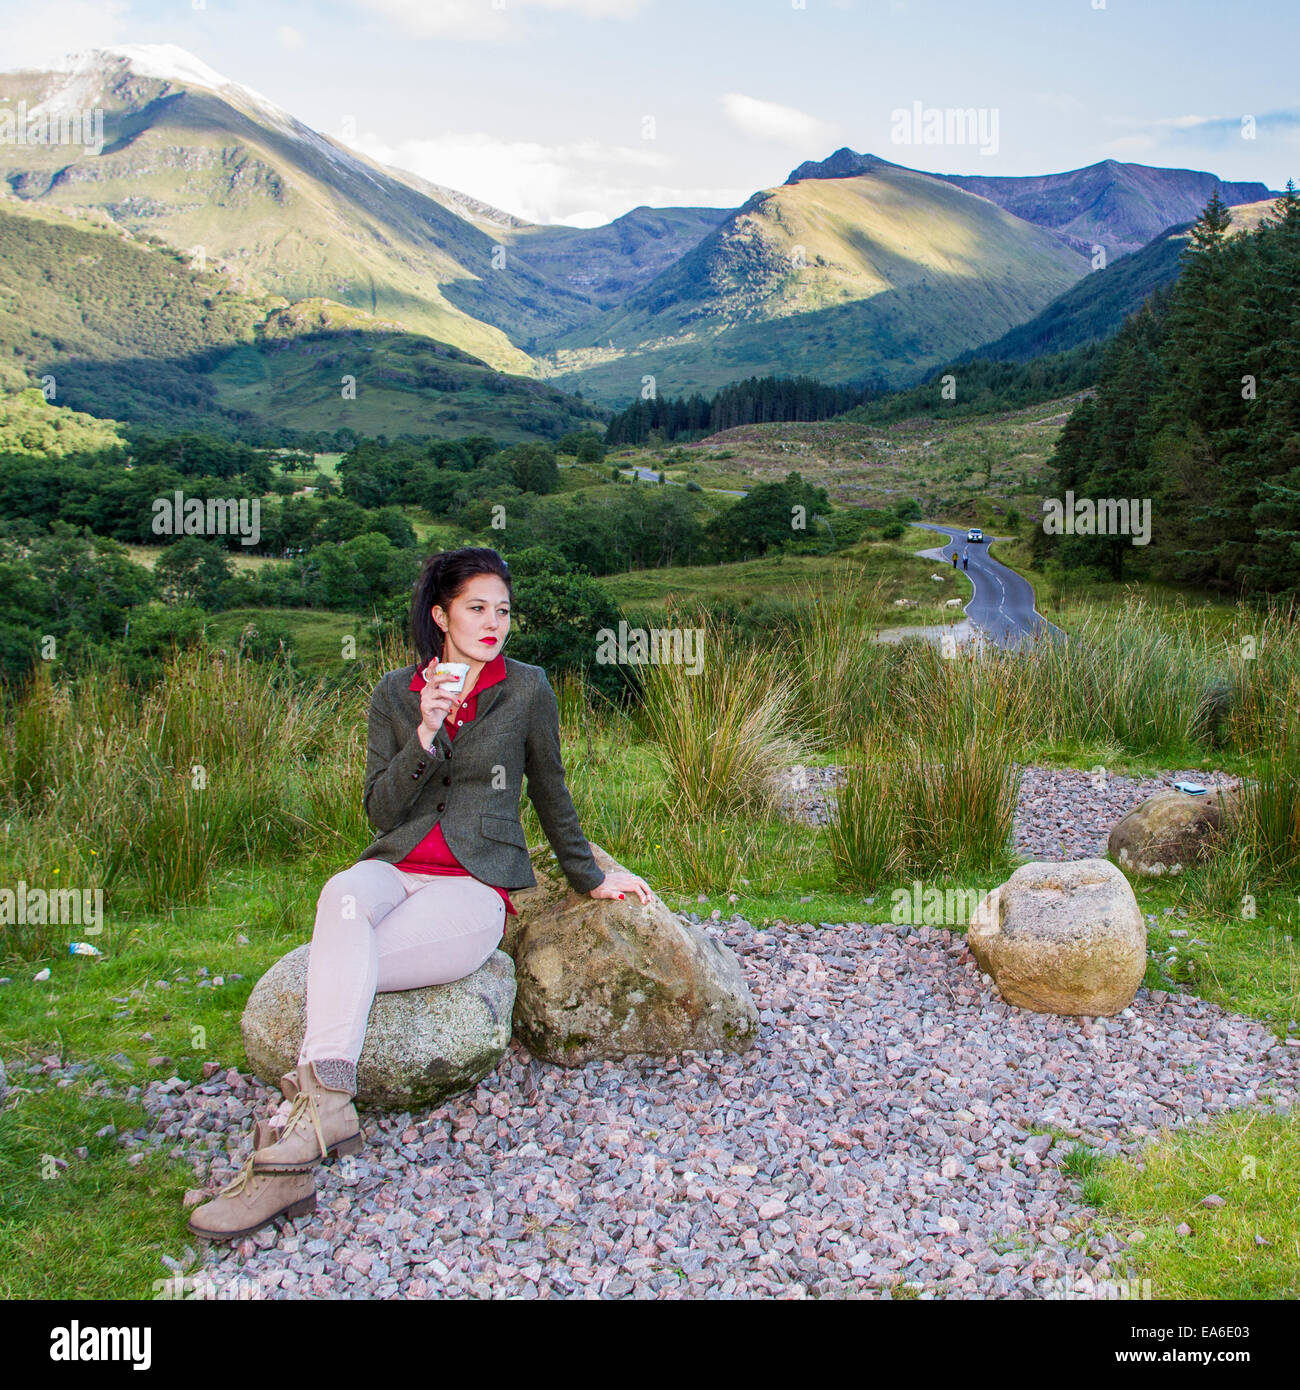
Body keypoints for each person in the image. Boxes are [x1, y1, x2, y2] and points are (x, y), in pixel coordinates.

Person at [188, 546, 651, 1241]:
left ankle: (293, 1142)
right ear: (440, 615)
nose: (494, 621)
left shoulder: (526, 687)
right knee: (343, 894)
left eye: (502, 609)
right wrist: (427, 731)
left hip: (472, 883)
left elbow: (552, 790)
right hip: (396, 864)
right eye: (476, 607)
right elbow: (380, 812)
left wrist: (590, 875)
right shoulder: (392, 694)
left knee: (343, 958)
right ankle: (324, 1113)